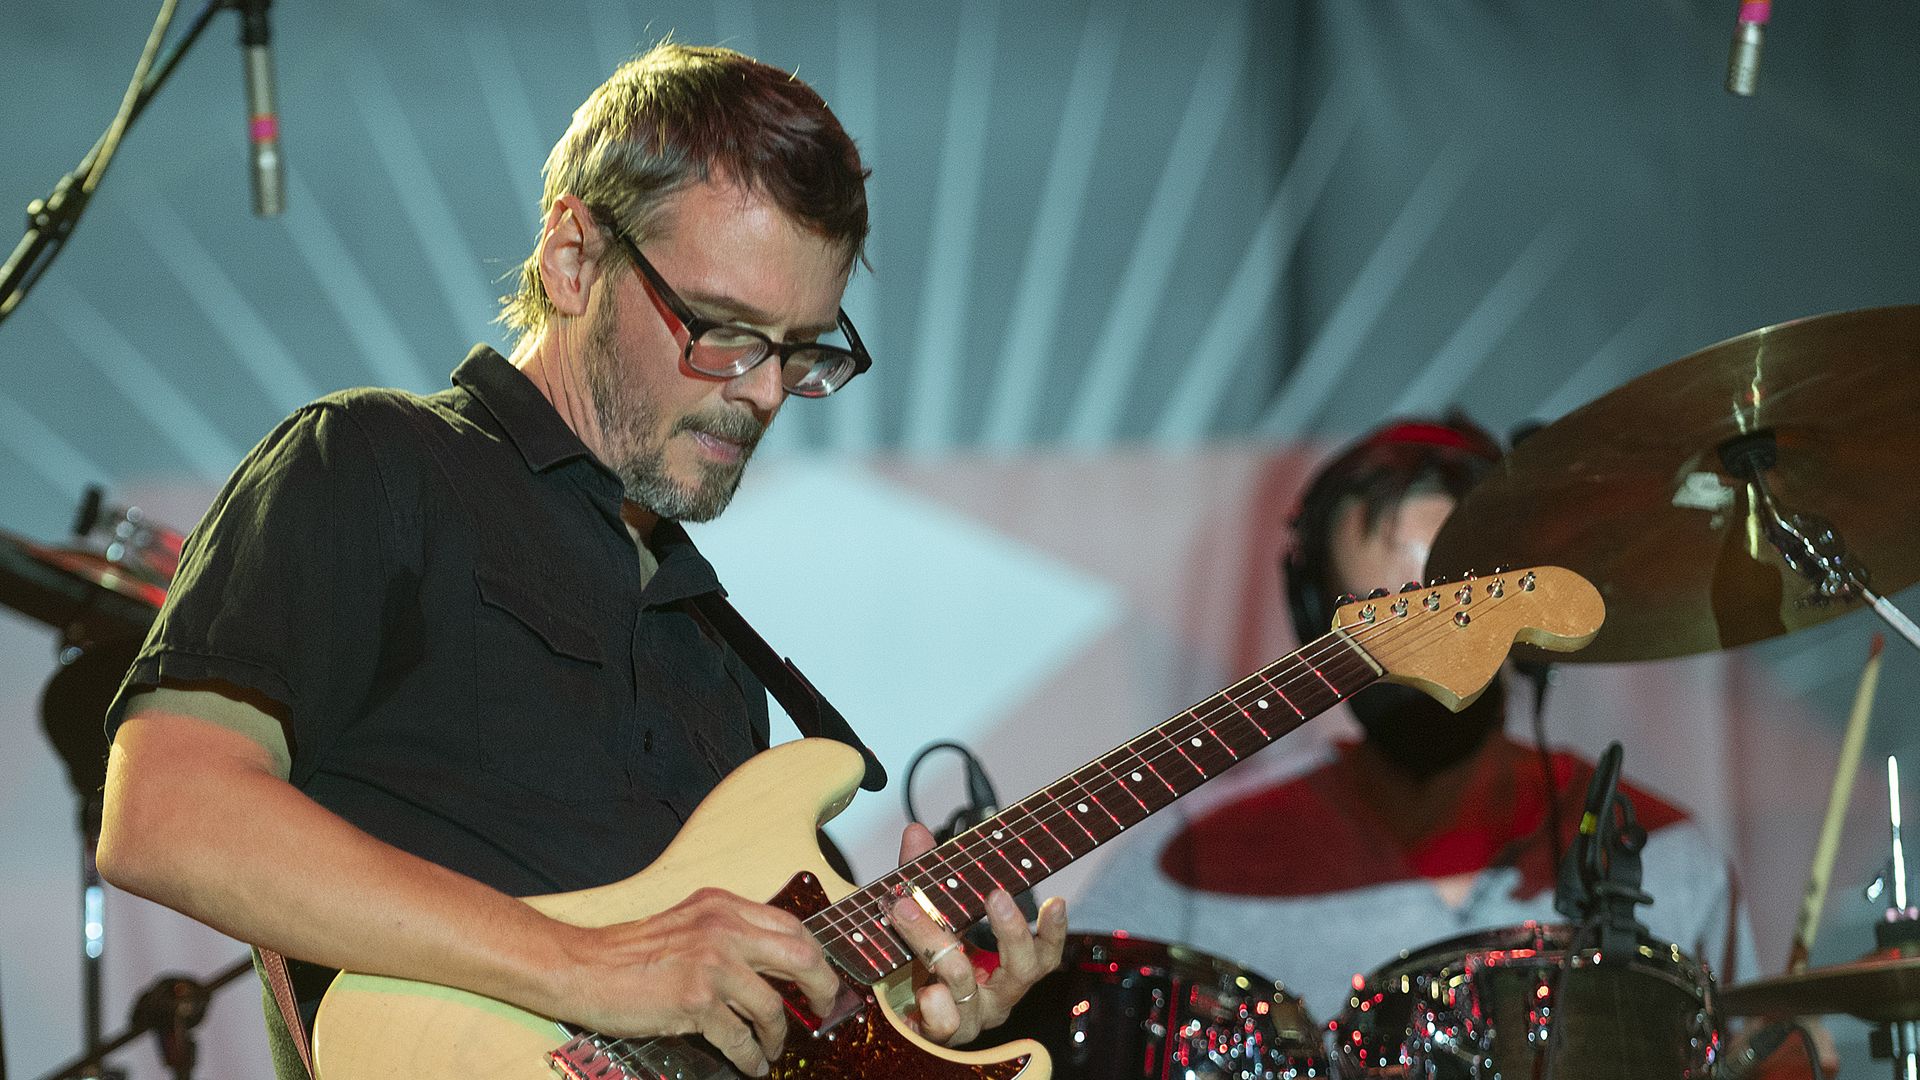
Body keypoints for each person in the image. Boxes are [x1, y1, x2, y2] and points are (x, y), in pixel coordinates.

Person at [95, 42, 1065, 1080]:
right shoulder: (373, 463)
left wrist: (893, 1033)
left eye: (800, 349)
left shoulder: (715, 650)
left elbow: (709, 1019)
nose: (768, 390)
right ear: (573, 259)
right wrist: (588, 966)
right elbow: (165, 812)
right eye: (725, 331)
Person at [1071, 415, 1759, 1026]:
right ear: (1316, 622)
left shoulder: (1668, 858)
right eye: (1379, 620)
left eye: (1452, 612)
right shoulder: (1189, 857)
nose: (1419, 656)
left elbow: (1754, 1054)